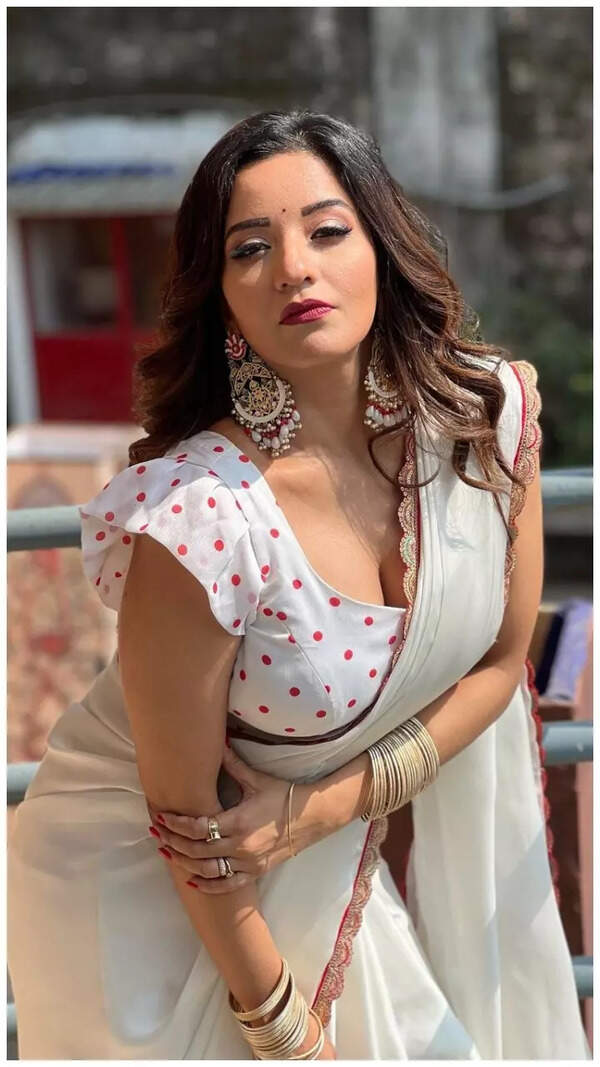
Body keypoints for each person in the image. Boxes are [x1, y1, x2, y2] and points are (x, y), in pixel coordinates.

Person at [7, 109, 591, 1060]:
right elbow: (187, 827)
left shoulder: (482, 425)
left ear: (382, 247)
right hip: (144, 893)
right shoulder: (202, 517)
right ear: (221, 300)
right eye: (250, 249)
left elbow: (499, 660)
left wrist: (329, 806)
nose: (293, 268)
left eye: (326, 230)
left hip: (313, 842)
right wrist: (285, 1033)